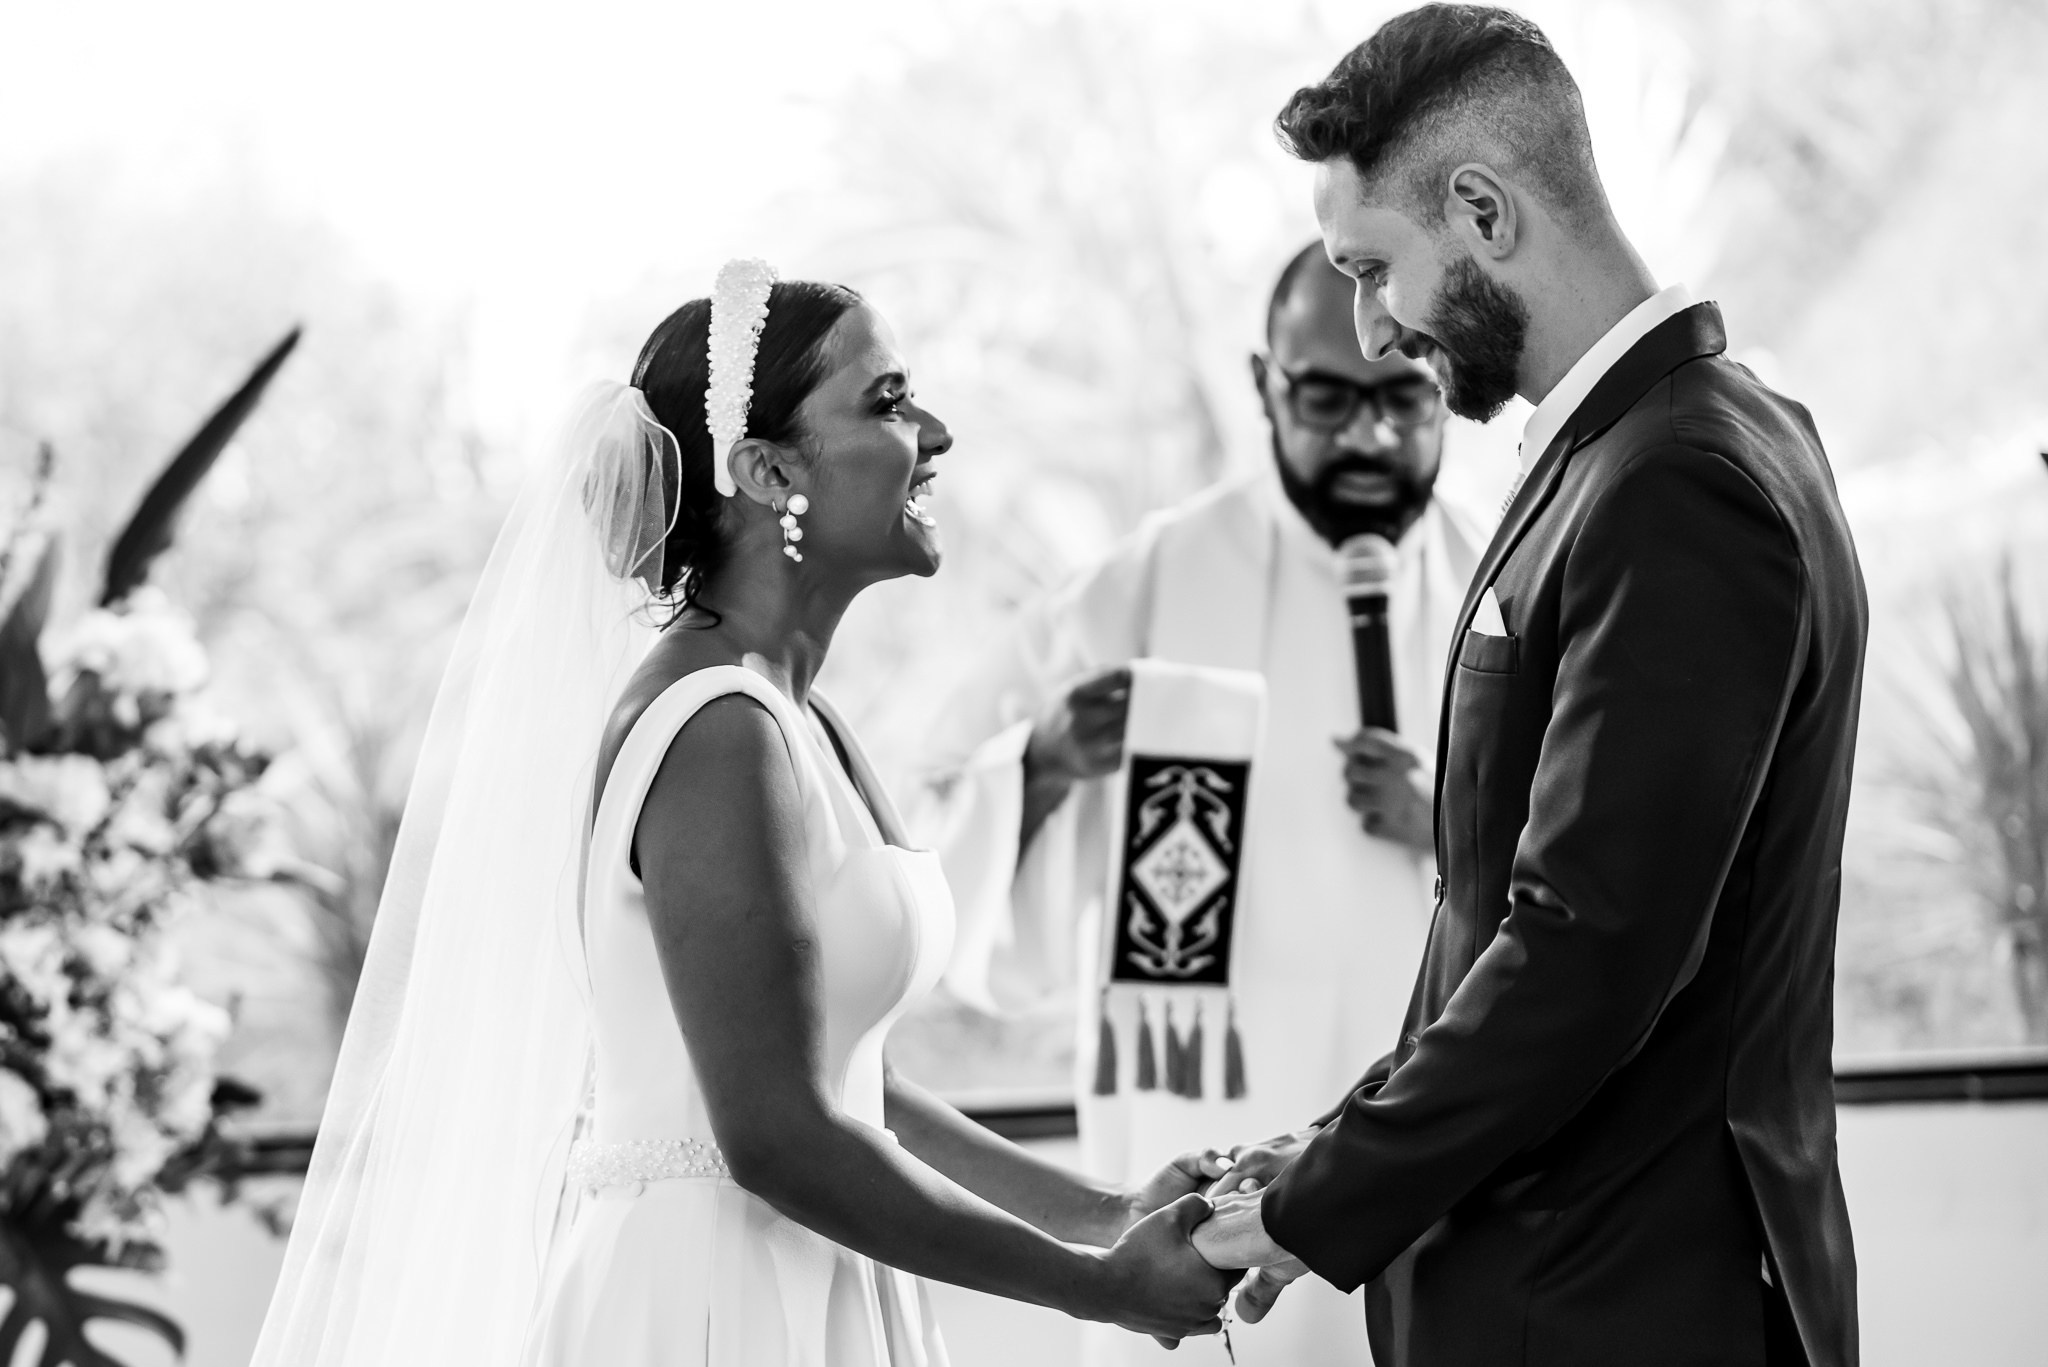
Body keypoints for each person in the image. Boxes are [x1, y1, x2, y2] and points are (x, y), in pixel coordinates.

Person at [250, 263, 1239, 1367]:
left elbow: (860, 1085)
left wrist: (1104, 1211)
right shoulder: (716, 729)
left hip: (814, 1277)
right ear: (767, 469)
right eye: (889, 401)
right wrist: (1094, 1288)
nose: (936, 432)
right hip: (713, 1301)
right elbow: (773, 1133)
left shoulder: (790, 711)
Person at [1192, 8, 1867, 1367]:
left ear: (1485, 211)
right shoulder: (1673, 443)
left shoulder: (1679, 483)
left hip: (1612, 1305)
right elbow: (1504, 911)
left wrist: (1312, 1207)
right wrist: (1331, 1144)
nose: (1374, 330)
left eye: (1375, 270)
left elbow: (1585, 950)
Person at [907, 244, 1484, 1365]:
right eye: (1326, 397)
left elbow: (1603, 882)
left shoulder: (1501, 584)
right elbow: (924, 841)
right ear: (1264, 382)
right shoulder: (1148, 585)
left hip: (1428, 1154)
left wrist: (1453, 826)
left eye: (1401, 396)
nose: (1368, 434)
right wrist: (1040, 766)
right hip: (1203, 1157)